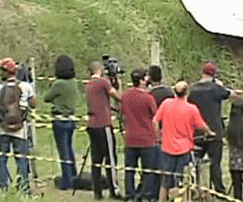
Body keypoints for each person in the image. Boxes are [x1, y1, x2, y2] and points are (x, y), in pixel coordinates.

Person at [153, 81, 215, 202]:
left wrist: (158, 137)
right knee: (183, 181)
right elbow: (201, 126)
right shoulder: (191, 109)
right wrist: (210, 133)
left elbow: (155, 121)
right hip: (184, 149)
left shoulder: (166, 104)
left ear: (174, 92)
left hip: (167, 148)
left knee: (165, 181)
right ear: (187, 92)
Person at [0, 57, 36, 194]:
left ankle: (2, 187)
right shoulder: (26, 87)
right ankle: (23, 187)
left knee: (2, 158)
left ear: (5, 72)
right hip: (20, 128)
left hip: (3, 129)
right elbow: (33, 104)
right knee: (21, 159)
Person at [188, 61, 233, 195]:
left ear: (202, 72)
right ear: (214, 74)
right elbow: (231, 95)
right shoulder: (216, 88)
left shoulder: (192, 89)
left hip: (196, 131)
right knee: (215, 164)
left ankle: (193, 188)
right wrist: (220, 85)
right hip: (214, 131)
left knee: (194, 163)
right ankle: (218, 190)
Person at [86, 59, 122, 199]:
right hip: (104, 124)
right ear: (100, 69)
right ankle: (114, 189)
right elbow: (118, 96)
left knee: (96, 159)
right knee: (110, 158)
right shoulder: (103, 82)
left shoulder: (88, 84)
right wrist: (118, 82)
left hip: (92, 124)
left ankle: (97, 191)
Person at [120, 68, 157, 202]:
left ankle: (130, 194)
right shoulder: (148, 97)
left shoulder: (125, 95)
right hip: (146, 138)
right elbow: (155, 115)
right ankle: (145, 194)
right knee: (147, 170)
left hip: (130, 138)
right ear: (142, 80)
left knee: (129, 169)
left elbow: (122, 113)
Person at [43, 55, 78, 191]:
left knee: (63, 151)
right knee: (69, 148)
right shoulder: (73, 82)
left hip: (60, 119)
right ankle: (73, 175)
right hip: (71, 118)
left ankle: (66, 181)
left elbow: (47, 97)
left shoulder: (58, 84)